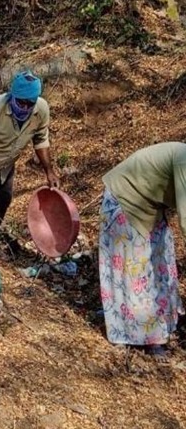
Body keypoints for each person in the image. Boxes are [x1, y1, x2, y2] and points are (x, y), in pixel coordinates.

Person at [98, 142, 186, 359]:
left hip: (150, 205)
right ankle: (142, 335)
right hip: (126, 199)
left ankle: (164, 323)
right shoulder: (184, 160)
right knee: (136, 270)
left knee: (161, 260)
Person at [0, 71, 58, 264]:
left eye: (29, 104)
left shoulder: (41, 110)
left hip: (7, 165)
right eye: (20, 102)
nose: (24, 107)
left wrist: (49, 171)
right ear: (12, 96)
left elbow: (41, 139)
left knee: (4, 200)